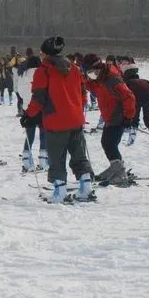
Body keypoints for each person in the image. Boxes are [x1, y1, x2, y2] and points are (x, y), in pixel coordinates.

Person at [22, 37, 93, 202]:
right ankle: (86, 187)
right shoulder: (74, 68)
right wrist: (76, 108)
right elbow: (83, 93)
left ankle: (60, 191)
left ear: (45, 54)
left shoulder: (43, 70)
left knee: (56, 157)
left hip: (56, 121)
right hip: (76, 118)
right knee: (79, 154)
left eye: (41, 53)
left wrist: (28, 115)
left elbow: (39, 97)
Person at [84, 55, 136, 185]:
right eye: (88, 73)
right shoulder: (100, 78)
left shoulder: (112, 79)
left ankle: (119, 172)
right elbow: (92, 86)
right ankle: (116, 168)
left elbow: (129, 97)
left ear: (99, 68)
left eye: (92, 72)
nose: (91, 75)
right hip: (109, 116)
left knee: (109, 144)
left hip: (118, 117)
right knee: (107, 143)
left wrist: (128, 116)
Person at [15, 55, 46, 172]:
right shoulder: (41, 73)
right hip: (41, 107)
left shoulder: (23, 75)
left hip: (27, 108)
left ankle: (26, 159)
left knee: (30, 134)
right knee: (44, 133)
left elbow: (20, 92)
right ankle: (43, 160)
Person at [123, 68, 149, 145]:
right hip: (148, 99)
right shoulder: (145, 81)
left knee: (134, 118)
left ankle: (132, 139)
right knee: (147, 116)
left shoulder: (127, 83)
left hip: (136, 100)